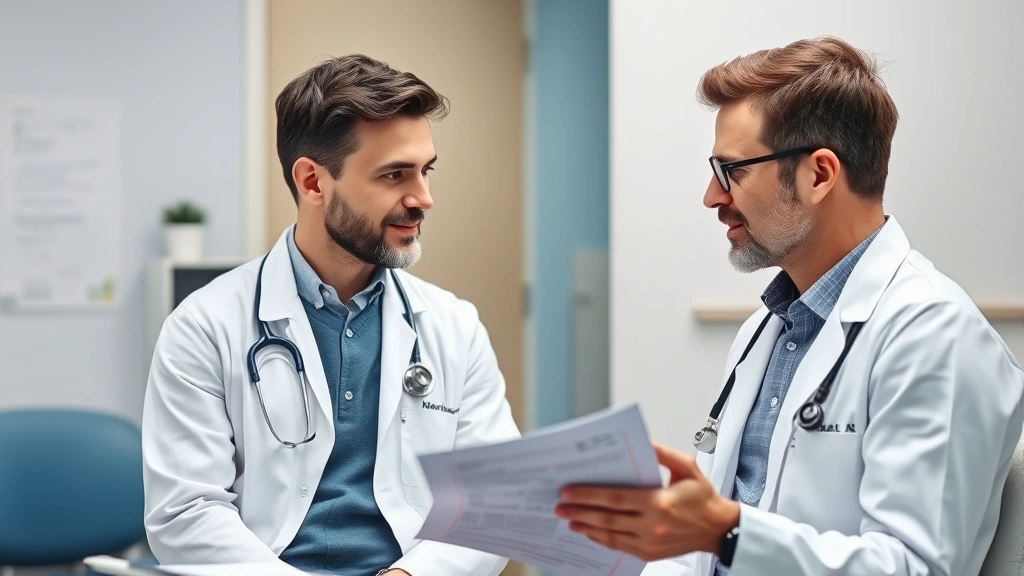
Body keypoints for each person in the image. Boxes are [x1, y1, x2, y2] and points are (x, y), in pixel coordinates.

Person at [555, 37, 1024, 576]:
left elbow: (914, 567)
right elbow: (700, 550)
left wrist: (726, 531)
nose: (712, 195)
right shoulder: (768, 330)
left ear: (820, 174)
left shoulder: (936, 337)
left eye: (732, 170)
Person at [142, 54, 520, 576]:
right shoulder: (204, 327)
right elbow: (186, 512)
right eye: (394, 175)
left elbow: (493, 502)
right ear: (314, 182)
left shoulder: (453, 326)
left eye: (426, 171)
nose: (424, 199)